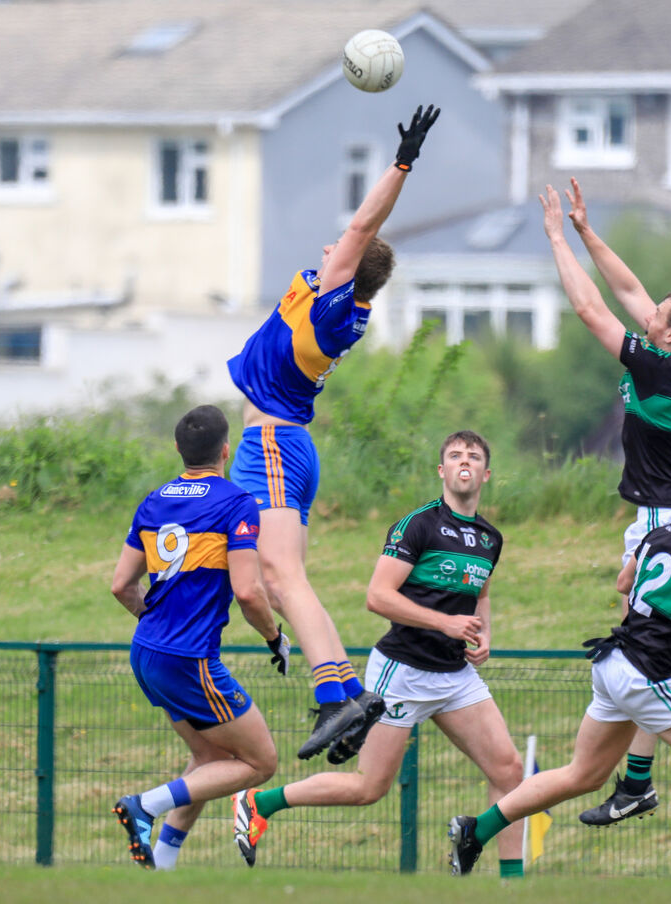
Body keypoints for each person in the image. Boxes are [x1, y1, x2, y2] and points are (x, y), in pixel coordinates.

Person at [448, 460, 671, 881]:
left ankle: (476, 830)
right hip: (646, 676)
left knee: (583, 774)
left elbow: (624, 584)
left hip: (612, 664)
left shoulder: (659, 533)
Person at [226, 104, 440, 761]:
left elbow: (363, 224)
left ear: (349, 268)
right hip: (286, 446)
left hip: (274, 444)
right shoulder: (347, 302)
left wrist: (402, 162)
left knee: (282, 579)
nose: (327, 249)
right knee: (280, 576)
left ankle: (334, 699)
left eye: (337, 252)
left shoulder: (332, 300)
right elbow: (357, 242)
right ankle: (349, 691)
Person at [231, 430, 526, 877]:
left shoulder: (490, 538)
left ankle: (506, 876)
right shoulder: (419, 525)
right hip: (403, 671)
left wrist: (484, 632)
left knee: (509, 769)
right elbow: (378, 597)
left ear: (486, 473)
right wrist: (445, 623)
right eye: (454, 455)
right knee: (368, 788)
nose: (464, 460)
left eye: (474, 456)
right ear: (442, 470)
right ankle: (259, 802)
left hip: (455, 675)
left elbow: (480, 593)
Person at [539, 179, 671, 831]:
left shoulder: (661, 367)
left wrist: (559, 239)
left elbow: (594, 309)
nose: (648, 314)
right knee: (664, 656)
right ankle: (647, 779)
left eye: (658, 317)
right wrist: (590, 232)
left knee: (652, 656)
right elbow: (629, 293)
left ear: (669, 337)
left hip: (660, 523)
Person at [109, 404, 289, 870]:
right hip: (189, 658)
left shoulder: (153, 501)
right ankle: (144, 805)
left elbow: (120, 585)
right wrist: (275, 638)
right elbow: (249, 592)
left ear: (178, 449)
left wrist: (155, 620)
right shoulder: (235, 503)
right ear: (226, 450)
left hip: (146, 651)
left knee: (210, 757)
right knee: (260, 762)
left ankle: (162, 864)